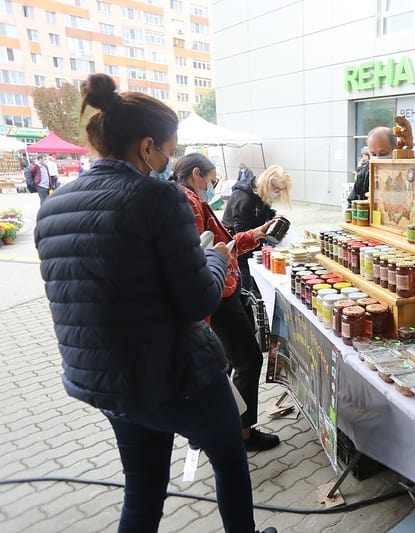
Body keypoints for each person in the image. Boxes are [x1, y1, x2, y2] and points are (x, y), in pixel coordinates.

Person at [34, 73, 275, 533]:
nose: (169, 161)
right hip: (174, 375)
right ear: (147, 147)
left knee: (143, 489)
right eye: (168, 150)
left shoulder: (53, 207)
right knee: (229, 459)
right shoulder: (158, 197)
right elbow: (197, 299)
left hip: (107, 380)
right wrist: (215, 257)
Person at [171, 153, 281, 452]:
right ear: (196, 174)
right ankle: (241, 433)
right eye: (212, 179)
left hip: (217, 289)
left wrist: (254, 235)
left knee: (230, 361)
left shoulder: (189, 199)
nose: (213, 185)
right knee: (248, 359)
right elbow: (207, 254)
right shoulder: (188, 203)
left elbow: (223, 244)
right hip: (217, 292)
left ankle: (217, 426)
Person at [222, 164, 292, 294]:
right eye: (275, 188)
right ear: (266, 183)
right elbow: (240, 232)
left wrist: (273, 216)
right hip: (237, 247)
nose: (276, 192)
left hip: (253, 240)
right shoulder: (243, 197)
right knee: (247, 284)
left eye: (280, 190)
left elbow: (262, 210)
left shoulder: (262, 193)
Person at [347, 126, 395, 201]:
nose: (378, 158)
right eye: (373, 154)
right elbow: (352, 201)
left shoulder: (408, 170)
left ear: (395, 148)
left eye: (383, 154)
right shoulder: (363, 172)